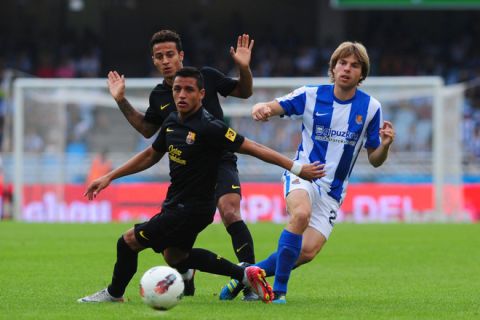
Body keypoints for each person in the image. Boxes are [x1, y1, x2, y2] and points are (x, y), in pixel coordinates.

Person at [77, 67, 325, 304]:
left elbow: (254, 147)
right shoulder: (173, 121)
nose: (182, 95)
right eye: (177, 89)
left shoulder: (210, 127)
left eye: (188, 90)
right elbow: (150, 155)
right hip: (177, 203)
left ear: (201, 94)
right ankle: (245, 275)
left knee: (128, 241)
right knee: (176, 256)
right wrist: (110, 176)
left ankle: (114, 293)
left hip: (190, 209)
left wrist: (297, 168)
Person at [220, 41, 395, 304]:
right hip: (304, 173)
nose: (347, 69)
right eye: (342, 63)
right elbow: (273, 105)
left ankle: (246, 275)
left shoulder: (371, 108)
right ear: (333, 68)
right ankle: (278, 292)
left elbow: (375, 160)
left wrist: (385, 145)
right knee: (300, 214)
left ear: (362, 74)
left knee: (307, 252)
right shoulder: (311, 95)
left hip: (333, 191)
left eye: (354, 65)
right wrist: (263, 109)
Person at [107, 30, 256, 298]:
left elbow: (244, 91)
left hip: (219, 158)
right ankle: (188, 272)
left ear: (181, 56)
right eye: (159, 56)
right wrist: (120, 100)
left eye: (170, 55)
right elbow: (146, 130)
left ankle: (251, 284)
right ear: (154, 60)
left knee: (230, 211)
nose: (165, 60)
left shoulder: (206, 77)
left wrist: (243, 69)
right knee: (173, 254)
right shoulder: (159, 96)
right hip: (188, 176)